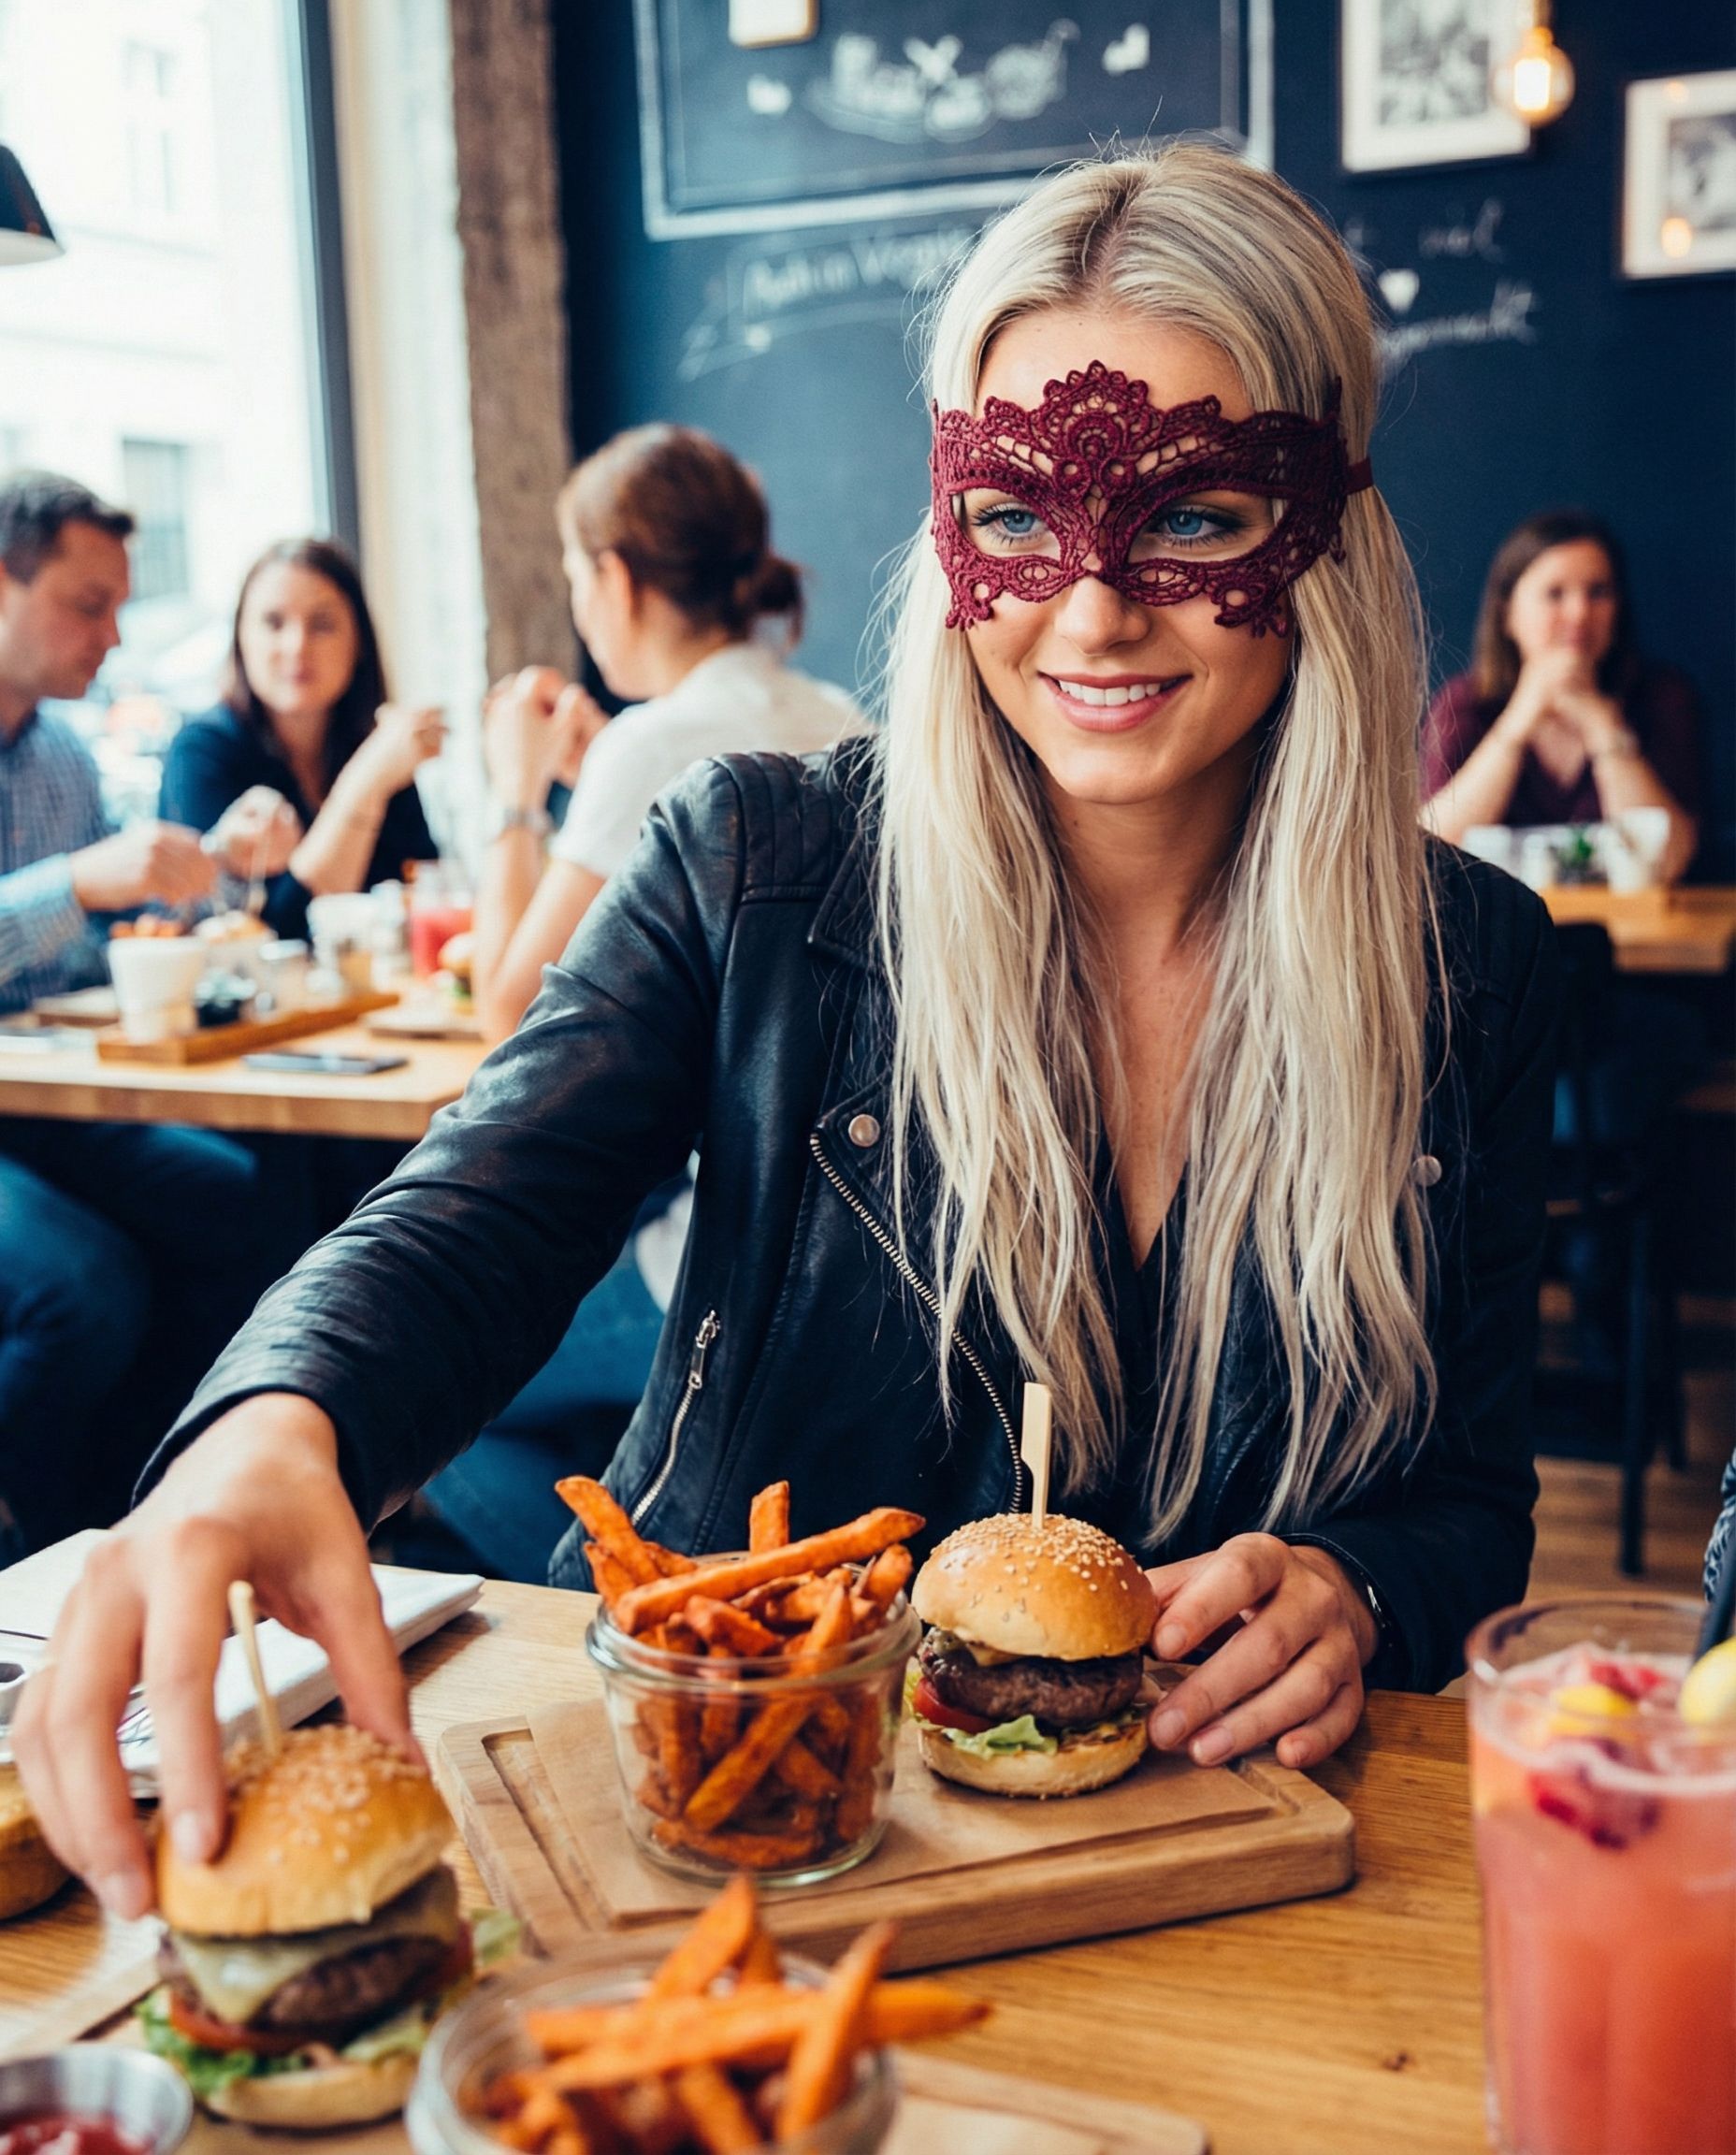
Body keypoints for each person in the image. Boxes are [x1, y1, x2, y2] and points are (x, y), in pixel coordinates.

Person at [17, 147, 1559, 1920]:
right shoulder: (758, 860)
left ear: (1327, 529)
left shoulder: (1477, 970)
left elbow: (1466, 1496)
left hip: (1244, 1886)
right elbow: (482, 1208)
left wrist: (1361, 1583)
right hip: (747, 1849)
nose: (1093, 604)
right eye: (1014, 518)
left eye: (1198, 516)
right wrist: (276, 1424)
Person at [423, 426, 861, 1579]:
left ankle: (617, 1613)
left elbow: (507, 1011)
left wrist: (519, 793)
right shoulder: (832, 715)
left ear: (612, 576)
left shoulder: (655, 742)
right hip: (855, 1243)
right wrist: (591, 783)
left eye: (577, 576)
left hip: (715, 1251)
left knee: (447, 1408)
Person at [0, 472, 266, 1553]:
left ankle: (150, 1513)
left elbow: (127, 928)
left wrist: (220, 878)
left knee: (240, 1204)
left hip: (40, 1096)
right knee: (83, 1289)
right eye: (85, 602)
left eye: (117, 603)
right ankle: (47, 1552)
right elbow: (89, 887)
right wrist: (81, 884)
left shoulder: (61, 755)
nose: (113, 633)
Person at [159, 538, 441, 941]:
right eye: (273, 623)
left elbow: (422, 889)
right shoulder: (201, 751)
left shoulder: (371, 746)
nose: (297, 646)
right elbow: (275, 930)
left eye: (322, 625)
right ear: (240, 637)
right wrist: (367, 783)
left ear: (358, 641)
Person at [1420, 510, 1700, 883]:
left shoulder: (1663, 698)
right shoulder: (1463, 706)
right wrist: (1517, 725)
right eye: (1555, 594)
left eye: (1598, 592)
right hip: (1501, 939)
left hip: (1632, 937)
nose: (1580, 613)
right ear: (1509, 614)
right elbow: (1432, 851)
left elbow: (1669, 862)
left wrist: (1602, 727)